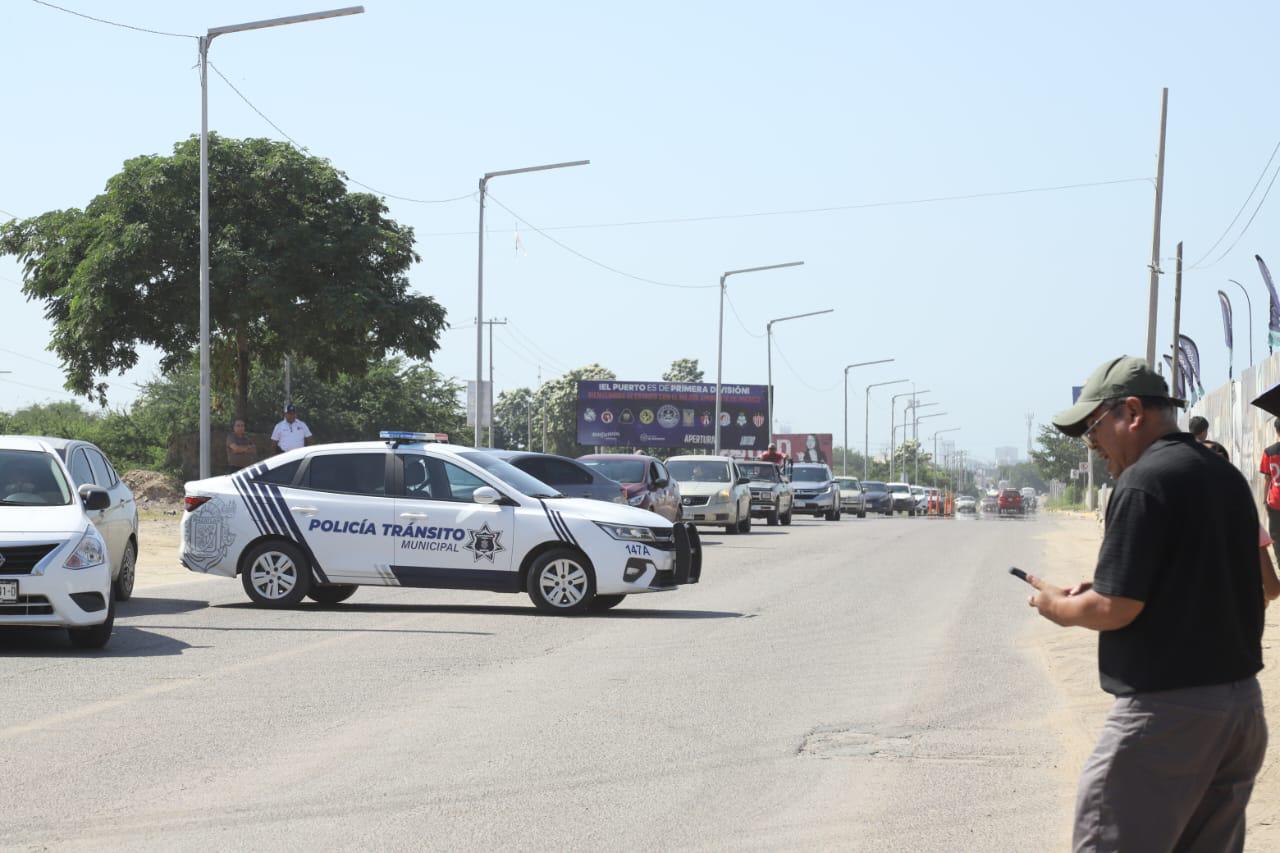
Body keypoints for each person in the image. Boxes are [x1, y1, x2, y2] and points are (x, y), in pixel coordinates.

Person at [1029, 355, 1266, 852]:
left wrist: (1057, 607)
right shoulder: (1225, 477)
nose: (1093, 444)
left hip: (1167, 715)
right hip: (1240, 712)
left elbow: (1115, 608)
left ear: (1132, 413)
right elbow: (1261, 585)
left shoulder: (1142, 482)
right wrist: (1111, 586)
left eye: (1093, 429)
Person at [1259, 418, 1280, 565]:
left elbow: (1267, 478)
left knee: (1276, 535)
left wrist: (1264, 500)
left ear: (1276, 430)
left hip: (1275, 500)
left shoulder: (1269, 452)